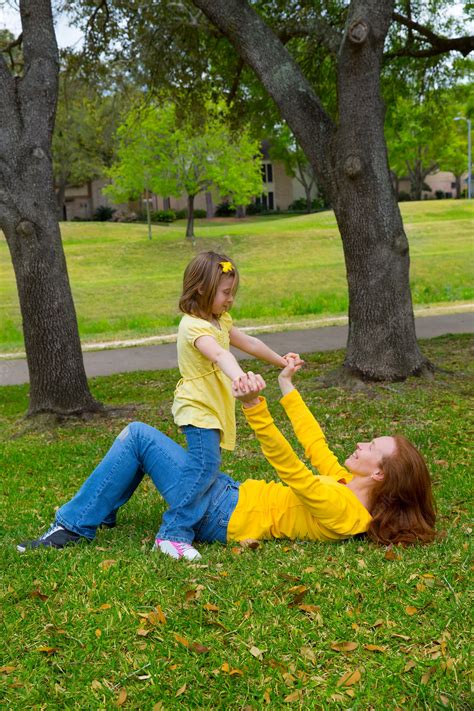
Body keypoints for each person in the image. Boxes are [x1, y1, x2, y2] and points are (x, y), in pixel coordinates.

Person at [17, 359, 436, 554]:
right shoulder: (349, 490)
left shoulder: (345, 511)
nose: (361, 446)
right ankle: (99, 511)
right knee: (146, 446)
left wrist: (255, 406)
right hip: (227, 498)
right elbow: (315, 446)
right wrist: (287, 388)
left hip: (221, 514)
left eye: (371, 449)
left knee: (138, 437)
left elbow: (292, 468)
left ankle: (73, 527)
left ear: (379, 474)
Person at [149, 251, 300, 561]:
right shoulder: (193, 326)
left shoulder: (219, 321)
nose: (231, 299)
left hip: (212, 408)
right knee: (204, 466)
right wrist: (241, 379)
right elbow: (220, 355)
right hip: (197, 406)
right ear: (202, 288)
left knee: (203, 467)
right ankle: (172, 534)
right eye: (226, 293)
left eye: (233, 293)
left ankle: (184, 520)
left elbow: (250, 344)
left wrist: (280, 360)